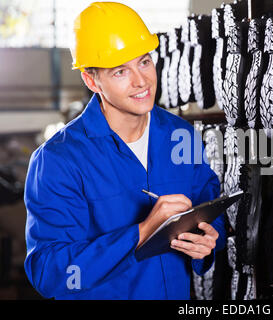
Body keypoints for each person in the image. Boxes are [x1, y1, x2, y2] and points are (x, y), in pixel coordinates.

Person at [23, 2, 225, 300]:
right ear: (92, 80)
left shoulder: (180, 135)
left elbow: (209, 206)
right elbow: (50, 273)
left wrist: (208, 239)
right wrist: (142, 232)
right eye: (120, 71)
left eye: (144, 62)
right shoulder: (58, 160)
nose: (141, 81)